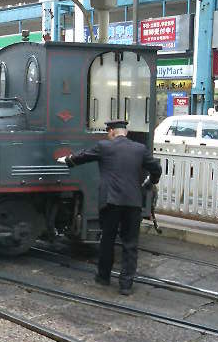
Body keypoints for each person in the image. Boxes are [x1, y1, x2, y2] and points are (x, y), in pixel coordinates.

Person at [56, 120, 162, 295]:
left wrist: (66, 160)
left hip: (110, 202)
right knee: (130, 243)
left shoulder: (104, 146)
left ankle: (103, 277)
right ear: (125, 132)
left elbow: (82, 156)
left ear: (112, 132)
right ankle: (126, 285)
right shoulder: (139, 149)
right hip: (133, 203)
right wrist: (151, 182)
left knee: (107, 239)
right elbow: (156, 168)